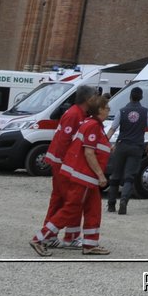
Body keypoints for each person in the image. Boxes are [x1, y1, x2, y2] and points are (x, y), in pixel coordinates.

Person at [33, 93, 112, 256]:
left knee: (93, 209)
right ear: (100, 110)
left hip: (86, 178)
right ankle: (40, 239)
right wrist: (100, 175)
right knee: (71, 208)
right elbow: (89, 153)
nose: (109, 111)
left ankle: (90, 244)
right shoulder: (92, 125)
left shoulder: (92, 124)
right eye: (107, 108)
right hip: (84, 176)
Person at [37, 85, 95, 250]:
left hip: (61, 164)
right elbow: (64, 141)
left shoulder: (77, 113)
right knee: (71, 200)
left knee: (59, 200)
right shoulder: (74, 114)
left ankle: (50, 235)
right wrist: (68, 165)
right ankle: (70, 237)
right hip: (63, 165)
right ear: (88, 99)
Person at [106, 85, 148, 214]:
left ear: (130, 96)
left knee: (115, 175)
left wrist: (105, 141)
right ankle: (124, 200)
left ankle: (111, 204)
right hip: (136, 146)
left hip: (121, 145)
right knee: (129, 177)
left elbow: (113, 128)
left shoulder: (122, 111)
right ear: (141, 97)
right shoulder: (146, 112)